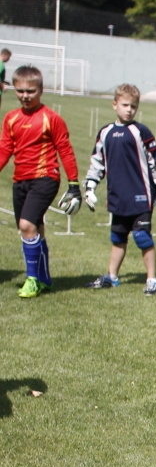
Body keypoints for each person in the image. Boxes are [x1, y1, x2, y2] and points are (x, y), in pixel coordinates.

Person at [82, 83, 156, 296]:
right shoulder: (105, 132)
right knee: (118, 238)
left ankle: (152, 279)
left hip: (141, 195)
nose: (129, 109)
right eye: (125, 105)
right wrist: (90, 187)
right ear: (115, 105)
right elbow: (97, 162)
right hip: (118, 196)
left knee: (142, 237)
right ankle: (111, 276)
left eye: (133, 106)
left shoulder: (140, 131)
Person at [0, 65, 81, 299]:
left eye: (31, 91)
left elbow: (65, 151)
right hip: (20, 181)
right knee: (33, 228)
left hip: (45, 177)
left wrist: (73, 183)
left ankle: (32, 279)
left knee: (27, 225)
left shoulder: (51, 119)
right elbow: (5, 149)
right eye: (20, 91)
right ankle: (44, 278)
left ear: (41, 90)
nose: (25, 96)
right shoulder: (11, 118)